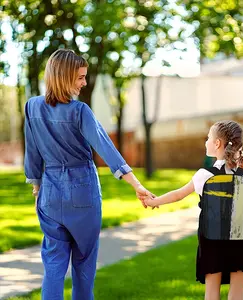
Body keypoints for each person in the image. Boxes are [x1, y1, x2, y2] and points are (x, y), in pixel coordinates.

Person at [24, 49, 153, 300]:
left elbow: (32, 153)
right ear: (64, 77)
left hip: (49, 193)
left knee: (53, 265)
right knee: (84, 264)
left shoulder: (32, 107)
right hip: (82, 190)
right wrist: (136, 184)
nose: (84, 83)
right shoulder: (79, 111)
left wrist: (37, 189)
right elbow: (106, 148)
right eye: (80, 77)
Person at [144, 120, 243, 300]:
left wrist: (154, 202)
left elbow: (178, 195)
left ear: (217, 144)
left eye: (208, 138)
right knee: (237, 295)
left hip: (212, 243)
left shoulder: (205, 175)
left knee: (211, 294)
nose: (206, 142)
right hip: (241, 242)